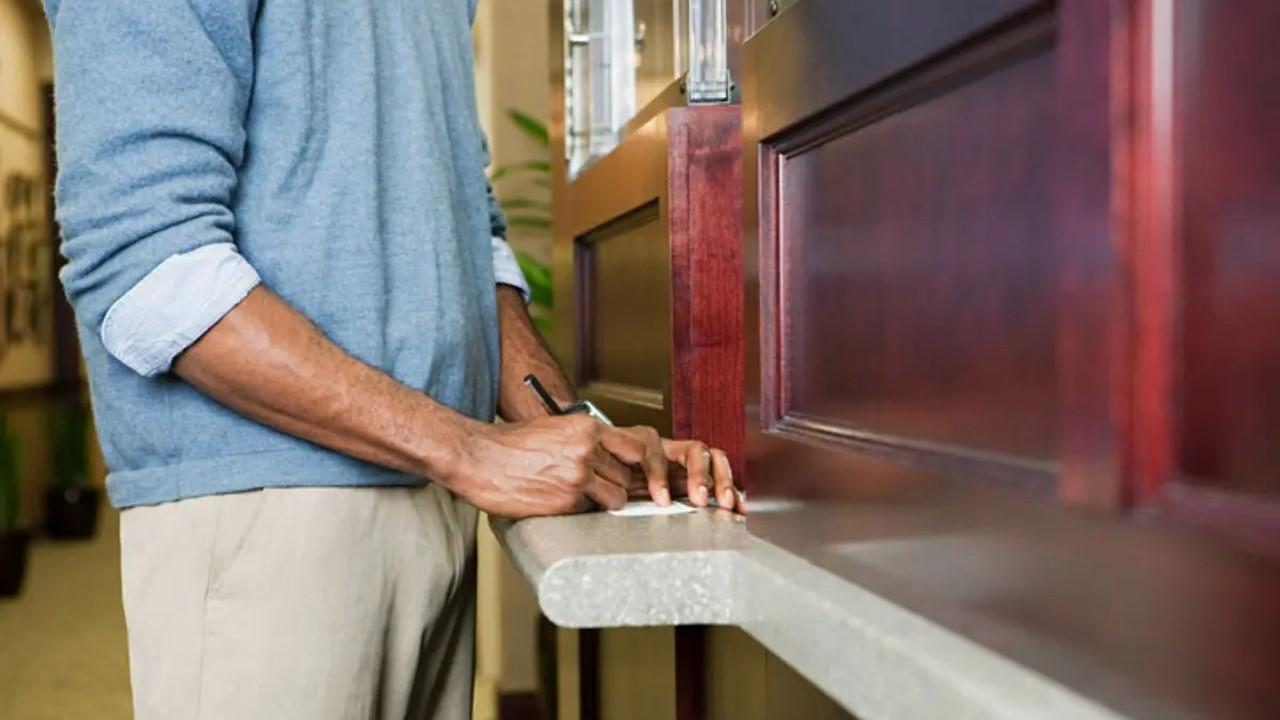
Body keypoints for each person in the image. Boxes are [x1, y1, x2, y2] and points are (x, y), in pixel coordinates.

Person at [44, 0, 738, 718]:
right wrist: (469, 449)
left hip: (430, 491)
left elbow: (466, 223)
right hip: (268, 517)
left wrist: (567, 428)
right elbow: (146, 260)